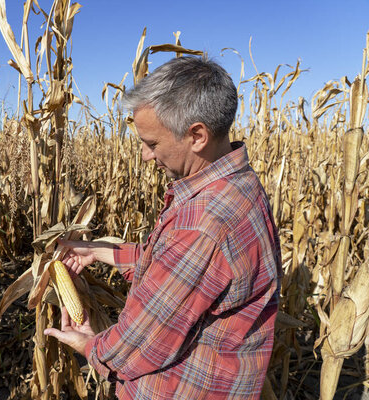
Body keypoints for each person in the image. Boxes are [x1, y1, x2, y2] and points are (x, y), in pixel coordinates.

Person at [44, 56, 282, 399]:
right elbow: (182, 268)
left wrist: (89, 344)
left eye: (152, 143)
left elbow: (137, 345)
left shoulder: (204, 225)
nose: (145, 155)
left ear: (196, 135)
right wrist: (99, 251)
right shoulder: (237, 183)